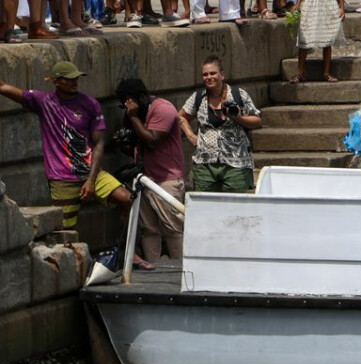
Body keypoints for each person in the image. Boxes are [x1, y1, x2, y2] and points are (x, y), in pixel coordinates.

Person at [0, 61, 133, 233]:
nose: (74, 82)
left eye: (76, 78)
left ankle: (129, 252)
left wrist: (91, 180)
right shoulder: (44, 102)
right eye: (69, 79)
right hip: (62, 178)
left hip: (91, 173)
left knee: (128, 199)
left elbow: (99, 143)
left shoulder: (90, 104)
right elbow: (4, 87)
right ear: (56, 81)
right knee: (65, 230)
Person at [115, 78, 186, 261]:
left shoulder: (163, 109)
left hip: (167, 179)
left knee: (173, 229)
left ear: (142, 97)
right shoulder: (134, 114)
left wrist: (133, 118)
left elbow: (153, 140)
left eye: (131, 103)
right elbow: (136, 146)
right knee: (149, 230)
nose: (129, 109)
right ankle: (153, 271)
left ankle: (181, 272)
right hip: (145, 179)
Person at [179, 56, 263, 193]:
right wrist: (190, 136)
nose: (208, 77)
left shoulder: (238, 95)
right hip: (204, 164)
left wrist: (238, 117)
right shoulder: (198, 97)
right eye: (205, 74)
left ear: (222, 75)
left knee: (235, 209)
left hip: (236, 165)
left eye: (213, 73)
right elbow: (180, 116)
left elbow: (258, 120)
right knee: (206, 207)